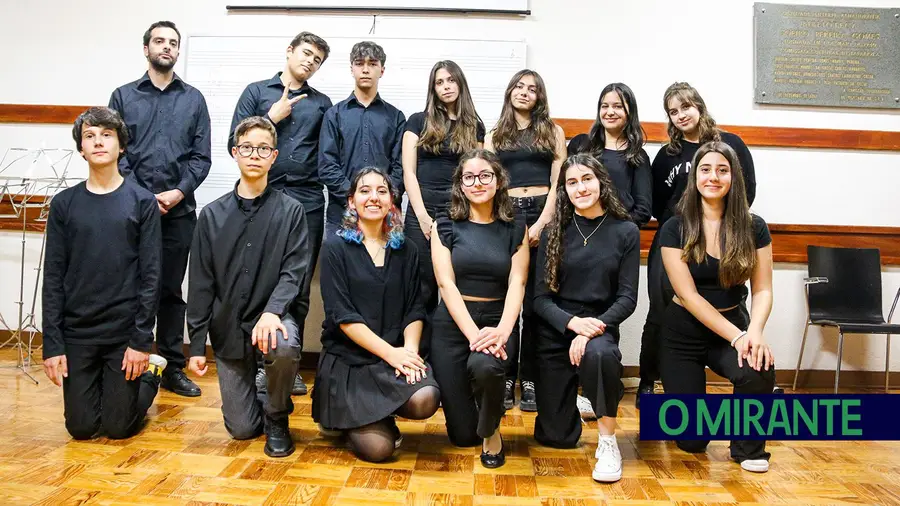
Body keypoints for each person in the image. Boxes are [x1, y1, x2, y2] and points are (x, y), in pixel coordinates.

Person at [186, 117, 310, 458]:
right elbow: (200, 283)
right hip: (230, 329)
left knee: (282, 344)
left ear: (274, 156)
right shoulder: (211, 216)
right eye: (247, 148)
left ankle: (277, 415)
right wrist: (196, 345)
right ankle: (264, 389)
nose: (255, 154)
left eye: (263, 149)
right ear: (234, 153)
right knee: (241, 430)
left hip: (274, 318)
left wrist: (272, 312)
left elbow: (294, 271)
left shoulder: (292, 212)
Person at [42, 106, 166, 440]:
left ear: (121, 145)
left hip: (122, 334)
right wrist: (53, 345)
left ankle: (151, 373)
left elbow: (151, 275)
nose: (98, 142)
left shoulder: (141, 202)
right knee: (81, 428)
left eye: (106, 135)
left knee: (117, 428)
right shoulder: (64, 204)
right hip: (78, 333)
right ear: (81, 148)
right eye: (89, 136)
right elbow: (53, 277)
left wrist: (141, 341)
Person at [638, 82, 758, 408]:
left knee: (731, 298)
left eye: (685, 107)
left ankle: (748, 361)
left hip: (723, 236)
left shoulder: (729, 143)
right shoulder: (667, 155)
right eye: (673, 112)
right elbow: (657, 203)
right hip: (676, 243)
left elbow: (748, 190)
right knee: (662, 310)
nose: (680, 115)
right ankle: (648, 382)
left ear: (699, 106)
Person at [108, 20, 211, 398]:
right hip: (131, 212)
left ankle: (170, 366)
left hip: (179, 213)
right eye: (159, 41)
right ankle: (127, 360)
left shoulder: (194, 99)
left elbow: (202, 159)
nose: (166, 47)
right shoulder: (122, 96)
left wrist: (177, 193)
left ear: (178, 51)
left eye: (172, 42)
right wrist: (143, 197)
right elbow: (116, 152)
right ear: (146, 48)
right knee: (131, 287)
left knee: (170, 290)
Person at [659, 141, 774, 473]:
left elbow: (763, 289)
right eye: (705, 169)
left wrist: (753, 332)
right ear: (694, 176)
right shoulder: (674, 227)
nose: (713, 177)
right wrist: (739, 338)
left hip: (733, 325)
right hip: (683, 334)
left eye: (722, 170)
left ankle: (748, 448)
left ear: (733, 177)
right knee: (693, 441)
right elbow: (690, 297)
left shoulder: (754, 227)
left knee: (759, 367)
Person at [229, 31, 333, 396]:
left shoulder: (322, 104)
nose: (310, 62)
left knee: (299, 283)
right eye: (306, 54)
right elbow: (234, 142)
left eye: (317, 60)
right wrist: (270, 118)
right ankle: (257, 363)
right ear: (289, 52)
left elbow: (327, 154)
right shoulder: (257, 92)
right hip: (263, 194)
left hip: (306, 198)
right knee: (258, 277)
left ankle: (288, 364)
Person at [313, 167, 440, 463]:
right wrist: (392, 355)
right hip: (349, 363)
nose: (374, 197)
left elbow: (414, 308)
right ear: (351, 201)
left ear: (392, 202)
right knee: (379, 452)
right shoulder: (334, 248)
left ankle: (378, 414)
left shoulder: (406, 249)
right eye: (365, 191)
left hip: (392, 355)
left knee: (426, 398)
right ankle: (344, 419)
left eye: (382, 191)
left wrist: (408, 353)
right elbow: (342, 317)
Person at [533, 154, 639, 483]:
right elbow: (539, 299)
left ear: (601, 182)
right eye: (572, 182)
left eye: (587, 179)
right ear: (564, 190)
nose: (581, 188)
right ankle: (583, 399)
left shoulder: (626, 231)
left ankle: (608, 441)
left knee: (602, 355)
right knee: (556, 437)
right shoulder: (554, 232)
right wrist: (572, 324)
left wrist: (590, 330)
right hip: (558, 327)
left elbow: (628, 297)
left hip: (599, 327)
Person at [430, 149, 529, 469]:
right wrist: (474, 336)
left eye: (485, 175)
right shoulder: (444, 224)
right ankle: (478, 420)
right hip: (453, 325)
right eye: (468, 177)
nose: (477, 183)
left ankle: (492, 432)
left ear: (499, 181)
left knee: (487, 368)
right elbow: (446, 284)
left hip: (498, 320)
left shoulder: (515, 226)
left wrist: (502, 330)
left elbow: (518, 282)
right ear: (460, 184)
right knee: (461, 436)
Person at [484, 69, 566, 412]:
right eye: (519, 86)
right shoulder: (495, 133)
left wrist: (543, 222)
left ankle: (530, 380)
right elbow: (488, 181)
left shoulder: (553, 131)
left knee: (535, 304)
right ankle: (504, 379)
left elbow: (559, 181)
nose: (524, 92)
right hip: (508, 213)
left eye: (531, 89)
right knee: (509, 301)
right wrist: (514, 225)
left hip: (544, 212)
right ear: (509, 92)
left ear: (539, 97)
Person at [402, 60, 485, 355]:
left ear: (460, 84)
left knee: (454, 285)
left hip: (458, 211)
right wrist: (423, 216)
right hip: (421, 210)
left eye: (451, 80)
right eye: (439, 82)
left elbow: (478, 174)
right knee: (422, 286)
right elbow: (409, 173)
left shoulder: (474, 125)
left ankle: (450, 356)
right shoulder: (416, 121)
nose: (446, 86)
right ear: (433, 88)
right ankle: (419, 355)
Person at [319, 41, 406, 236]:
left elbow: (401, 167)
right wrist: (354, 196)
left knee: (385, 265)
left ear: (382, 70)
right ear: (352, 69)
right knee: (338, 265)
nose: (365, 69)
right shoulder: (334, 115)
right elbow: (327, 165)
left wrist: (380, 197)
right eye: (359, 63)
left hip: (384, 213)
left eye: (372, 64)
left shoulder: (396, 117)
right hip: (341, 211)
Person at [566, 82, 652, 228]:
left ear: (630, 112)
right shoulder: (580, 144)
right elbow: (564, 190)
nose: (610, 112)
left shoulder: (637, 156)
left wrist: (612, 230)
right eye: (604, 106)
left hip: (617, 232)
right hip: (578, 229)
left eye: (618, 106)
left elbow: (643, 210)